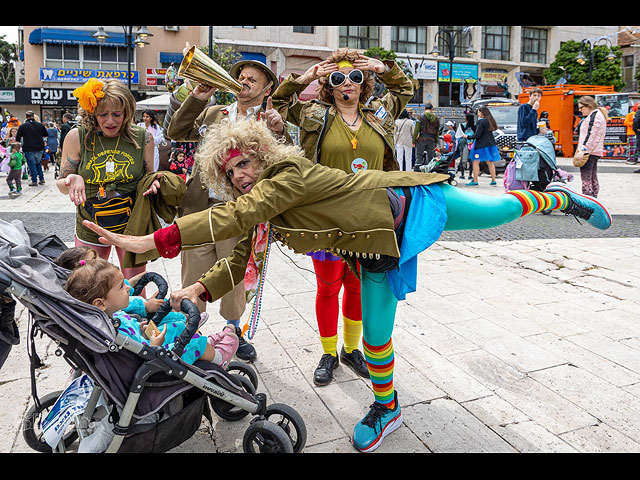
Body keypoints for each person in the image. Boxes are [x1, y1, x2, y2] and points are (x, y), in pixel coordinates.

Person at [82, 119, 612, 453]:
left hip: (411, 203)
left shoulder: (287, 173)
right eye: (230, 172)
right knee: (378, 340)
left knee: (498, 211)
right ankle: (388, 407)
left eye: (243, 162)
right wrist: (198, 291)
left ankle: (560, 199)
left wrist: (153, 239)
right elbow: (242, 254)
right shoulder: (262, 205)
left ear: (260, 154)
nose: (240, 176)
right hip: (378, 252)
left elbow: (246, 212)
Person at [272, 48, 413, 386]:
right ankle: (328, 352)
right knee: (328, 285)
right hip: (327, 214)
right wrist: (303, 79)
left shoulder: (381, 112)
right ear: (329, 85)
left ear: (365, 83)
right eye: (338, 78)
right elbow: (278, 105)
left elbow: (404, 89)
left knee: (357, 285)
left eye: (355, 76)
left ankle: (352, 350)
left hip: (371, 214)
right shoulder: (314, 113)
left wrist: (383, 68)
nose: (347, 83)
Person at [166, 57, 285, 362]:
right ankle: (189, 330)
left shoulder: (268, 121)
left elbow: (283, 162)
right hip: (200, 206)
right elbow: (176, 131)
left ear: (267, 88)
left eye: (252, 80)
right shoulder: (213, 113)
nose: (243, 83)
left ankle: (233, 331)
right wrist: (197, 96)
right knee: (193, 269)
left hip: (240, 210)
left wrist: (279, 133)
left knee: (234, 273)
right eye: (241, 77)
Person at [56, 78, 164, 281]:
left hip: (132, 223)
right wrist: (72, 178)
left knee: (135, 286)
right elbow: (61, 185)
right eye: (102, 114)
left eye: (117, 114)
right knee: (89, 283)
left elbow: (149, 176)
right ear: (92, 113)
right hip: (90, 222)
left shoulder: (143, 137)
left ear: (127, 113)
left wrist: (154, 183)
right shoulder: (76, 137)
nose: (110, 121)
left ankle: (134, 315)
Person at [63, 257, 238, 368]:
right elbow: (138, 354)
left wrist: (139, 329)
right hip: (151, 358)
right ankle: (218, 358)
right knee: (194, 344)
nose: (128, 287)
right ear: (101, 303)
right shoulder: (110, 329)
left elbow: (129, 330)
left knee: (176, 326)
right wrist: (154, 345)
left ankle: (204, 342)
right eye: (121, 286)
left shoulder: (108, 317)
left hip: (143, 340)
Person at [575, 96, 608, 197]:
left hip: (589, 151)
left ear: (588, 106)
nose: (580, 110)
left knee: (586, 179)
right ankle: (594, 199)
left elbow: (590, 135)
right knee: (592, 177)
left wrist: (582, 150)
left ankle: (588, 201)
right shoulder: (598, 115)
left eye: (581, 108)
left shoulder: (594, 117)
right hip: (594, 150)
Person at [463, 106, 500, 186]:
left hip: (480, 146)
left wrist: (468, 137)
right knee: (490, 162)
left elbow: (478, 134)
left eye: (479, 112)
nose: (478, 113)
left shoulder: (481, 121)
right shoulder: (490, 121)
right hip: (490, 145)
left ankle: (475, 181)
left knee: (475, 162)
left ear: (482, 113)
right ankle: (493, 180)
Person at [15, 111, 47, 186]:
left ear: (26, 117)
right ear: (33, 116)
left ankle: (34, 180)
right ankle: (41, 178)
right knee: (38, 163)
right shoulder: (40, 125)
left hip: (29, 147)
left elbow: (18, 138)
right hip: (40, 147)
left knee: (31, 164)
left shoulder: (23, 126)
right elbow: (45, 134)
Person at [413, 103, 439, 169]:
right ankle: (430, 170)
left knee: (419, 156)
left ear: (425, 109)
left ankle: (418, 171)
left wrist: (413, 140)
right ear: (432, 109)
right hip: (432, 139)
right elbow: (437, 131)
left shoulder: (420, 117)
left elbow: (416, 130)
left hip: (422, 139)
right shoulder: (436, 118)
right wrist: (436, 141)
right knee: (431, 157)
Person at [456, 112, 475, 180]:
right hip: (472, 144)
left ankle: (462, 174)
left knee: (463, 159)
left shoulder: (462, 125)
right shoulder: (475, 125)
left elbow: (458, 135)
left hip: (464, 144)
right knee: (471, 160)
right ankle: (470, 175)